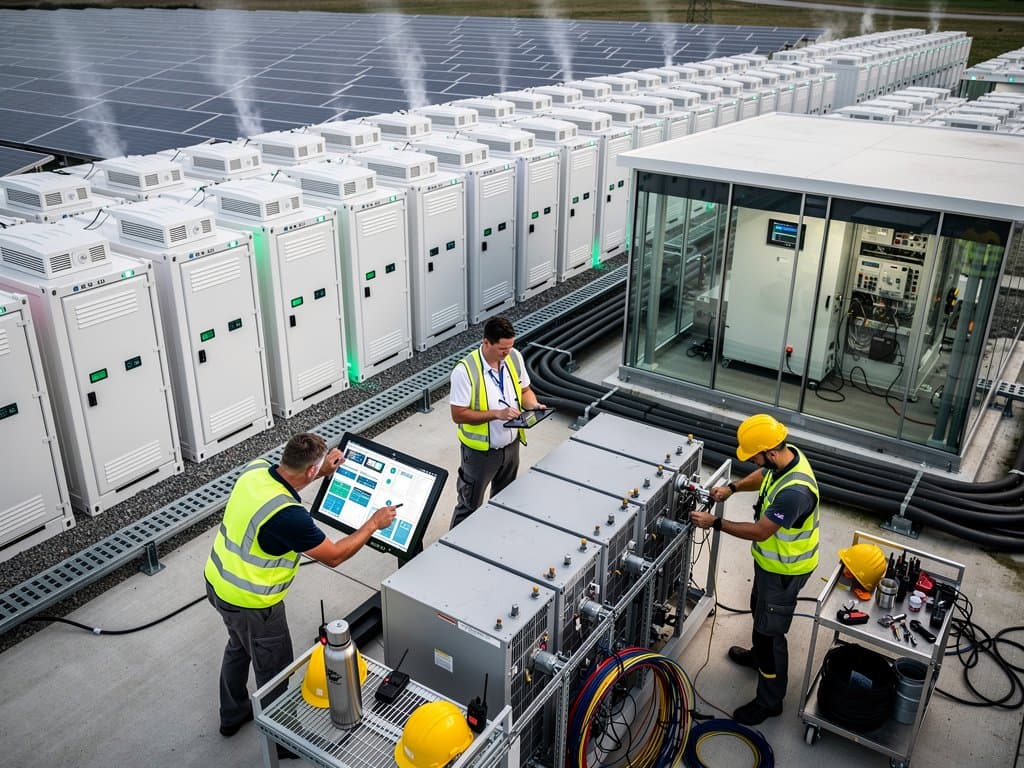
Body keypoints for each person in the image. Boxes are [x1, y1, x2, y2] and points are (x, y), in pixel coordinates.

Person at [204, 432, 397, 756]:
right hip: (255, 604)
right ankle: (283, 743)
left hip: (218, 582)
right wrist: (372, 524)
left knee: (238, 646)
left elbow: (291, 478)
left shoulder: (255, 470)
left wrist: (321, 469)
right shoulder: (289, 515)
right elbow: (334, 554)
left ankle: (232, 714)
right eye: (318, 468)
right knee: (274, 673)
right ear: (309, 471)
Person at [690, 413, 820, 726]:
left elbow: (761, 531)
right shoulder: (786, 460)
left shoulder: (795, 492)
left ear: (770, 451)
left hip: (785, 571)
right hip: (769, 564)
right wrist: (732, 488)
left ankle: (769, 701)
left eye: (755, 456)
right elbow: (764, 477)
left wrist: (716, 522)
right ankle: (757, 657)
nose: (754, 461)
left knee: (770, 634)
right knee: (758, 610)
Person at [449, 316, 544, 528]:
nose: (507, 353)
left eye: (510, 347)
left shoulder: (514, 357)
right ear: (486, 343)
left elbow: (525, 391)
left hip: (511, 447)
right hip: (480, 455)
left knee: (505, 501)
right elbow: (458, 415)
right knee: (469, 507)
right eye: (502, 348)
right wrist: (496, 414)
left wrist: (534, 405)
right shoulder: (465, 371)